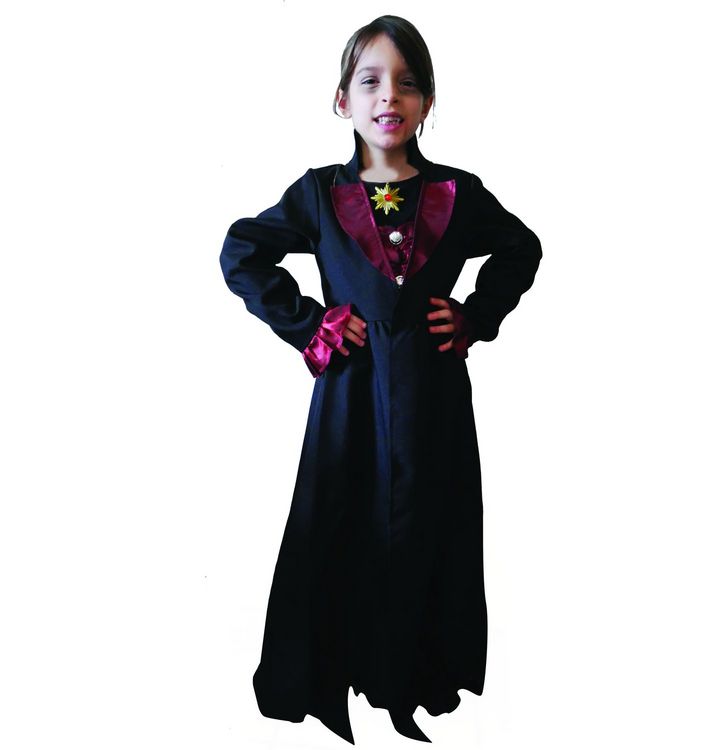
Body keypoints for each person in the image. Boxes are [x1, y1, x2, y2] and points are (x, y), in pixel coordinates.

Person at [219, 14, 542, 745]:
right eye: (370, 81)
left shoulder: (459, 193)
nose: (388, 96)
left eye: (407, 82)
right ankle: (331, 672)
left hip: (432, 397)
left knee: (427, 521)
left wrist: (476, 315)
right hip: (350, 397)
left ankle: (413, 677)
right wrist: (310, 324)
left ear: (427, 101)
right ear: (343, 100)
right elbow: (242, 251)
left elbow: (521, 247)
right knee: (341, 517)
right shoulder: (317, 194)